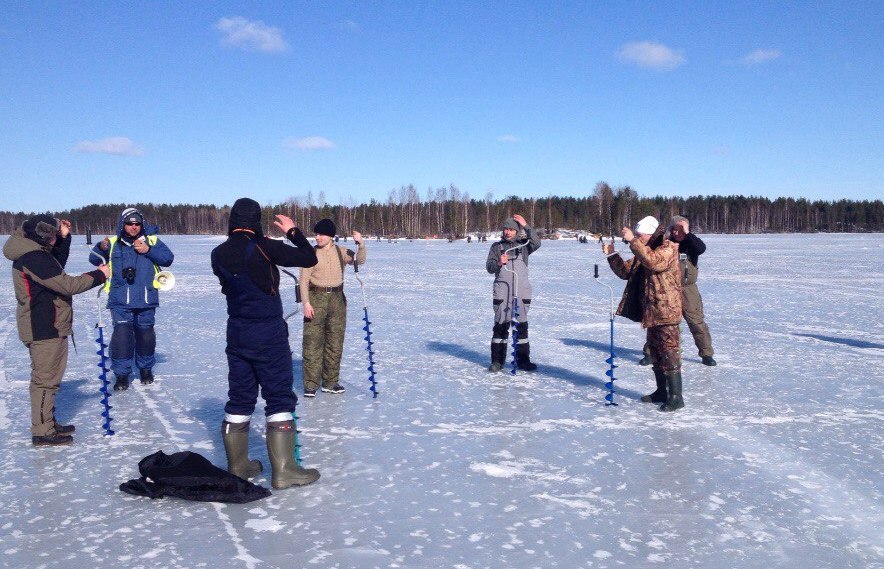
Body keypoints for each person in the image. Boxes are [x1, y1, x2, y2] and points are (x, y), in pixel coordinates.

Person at [211, 198, 320, 489]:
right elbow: (309, 258)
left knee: (241, 396)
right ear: (256, 221)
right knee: (279, 396)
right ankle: (284, 471)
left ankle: (238, 466)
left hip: (237, 332)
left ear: (233, 221)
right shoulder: (264, 247)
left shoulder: (217, 253)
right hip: (268, 333)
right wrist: (293, 232)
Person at [4, 215, 110, 445]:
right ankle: (42, 432)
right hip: (44, 327)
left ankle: (47, 423)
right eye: (52, 235)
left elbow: (56, 266)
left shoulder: (34, 252)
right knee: (45, 381)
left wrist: (64, 238)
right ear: (41, 237)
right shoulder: (34, 258)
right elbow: (66, 284)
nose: (55, 238)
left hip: (47, 324)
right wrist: (100, 274)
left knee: (49, 377)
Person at [604, 215, 685, 411]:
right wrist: (612, 255)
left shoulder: (667, 248)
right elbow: (625, 272)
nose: (638, 238)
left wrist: (633, 241)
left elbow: (653, 262)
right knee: (656, 354)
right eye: (637, 235)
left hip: (666, 311)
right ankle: (661, 391)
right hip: (651, 312)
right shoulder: (644, 251)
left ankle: (676, 397)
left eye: (640, 235)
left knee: (669, 354)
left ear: (650, 233)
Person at [90, 208, 174, 390]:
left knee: (146, 336)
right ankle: (121, 375)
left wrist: (148, 250)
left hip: (146, 298)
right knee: (122, 336)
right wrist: (100, 247)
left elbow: (168, 258)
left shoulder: (151, 240)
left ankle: (145, 369)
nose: (134, 227)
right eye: (129, 223)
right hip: (120, 299)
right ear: (123, 224)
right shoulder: (112, 243)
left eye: (137, 224)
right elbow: (93, 258)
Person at [299, 219, 366, 396]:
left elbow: (360, 260)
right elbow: (304, 281)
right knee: (312, 343)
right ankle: (311, 384)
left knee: (335, 343)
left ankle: (330, 382)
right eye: (316, 234)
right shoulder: (310, 254)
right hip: (315, 299)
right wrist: (306, 303)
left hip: (337, 300)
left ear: (330, 236)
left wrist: (361, 243)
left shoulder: (341, 251)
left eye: (321, 234)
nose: (317, 237)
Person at [638, 215, 716, 366]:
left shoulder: (691, 244)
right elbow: (648, 252)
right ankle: (649, 353)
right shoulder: (664, 242)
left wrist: (687, 233)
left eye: (680, 230)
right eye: (674, 229)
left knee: (696, 322)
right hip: (666, 289)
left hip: (688, 289)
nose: (676, 233)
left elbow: (701, 248)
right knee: (659, 323)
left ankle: (706, 354)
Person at [485, 214, 541, 372]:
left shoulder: (524, 247)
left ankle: (523, 361)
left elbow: (537, 243)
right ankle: (497, 361)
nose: (508, 232)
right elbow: (489, 268)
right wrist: (498, 263)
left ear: (517, 231)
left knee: (521, 328)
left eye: (511, 229)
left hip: (521, 292)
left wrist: (526, 225)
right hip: (503, 294)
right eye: (505, 229)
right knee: (500, 328)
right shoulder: (497, 247)